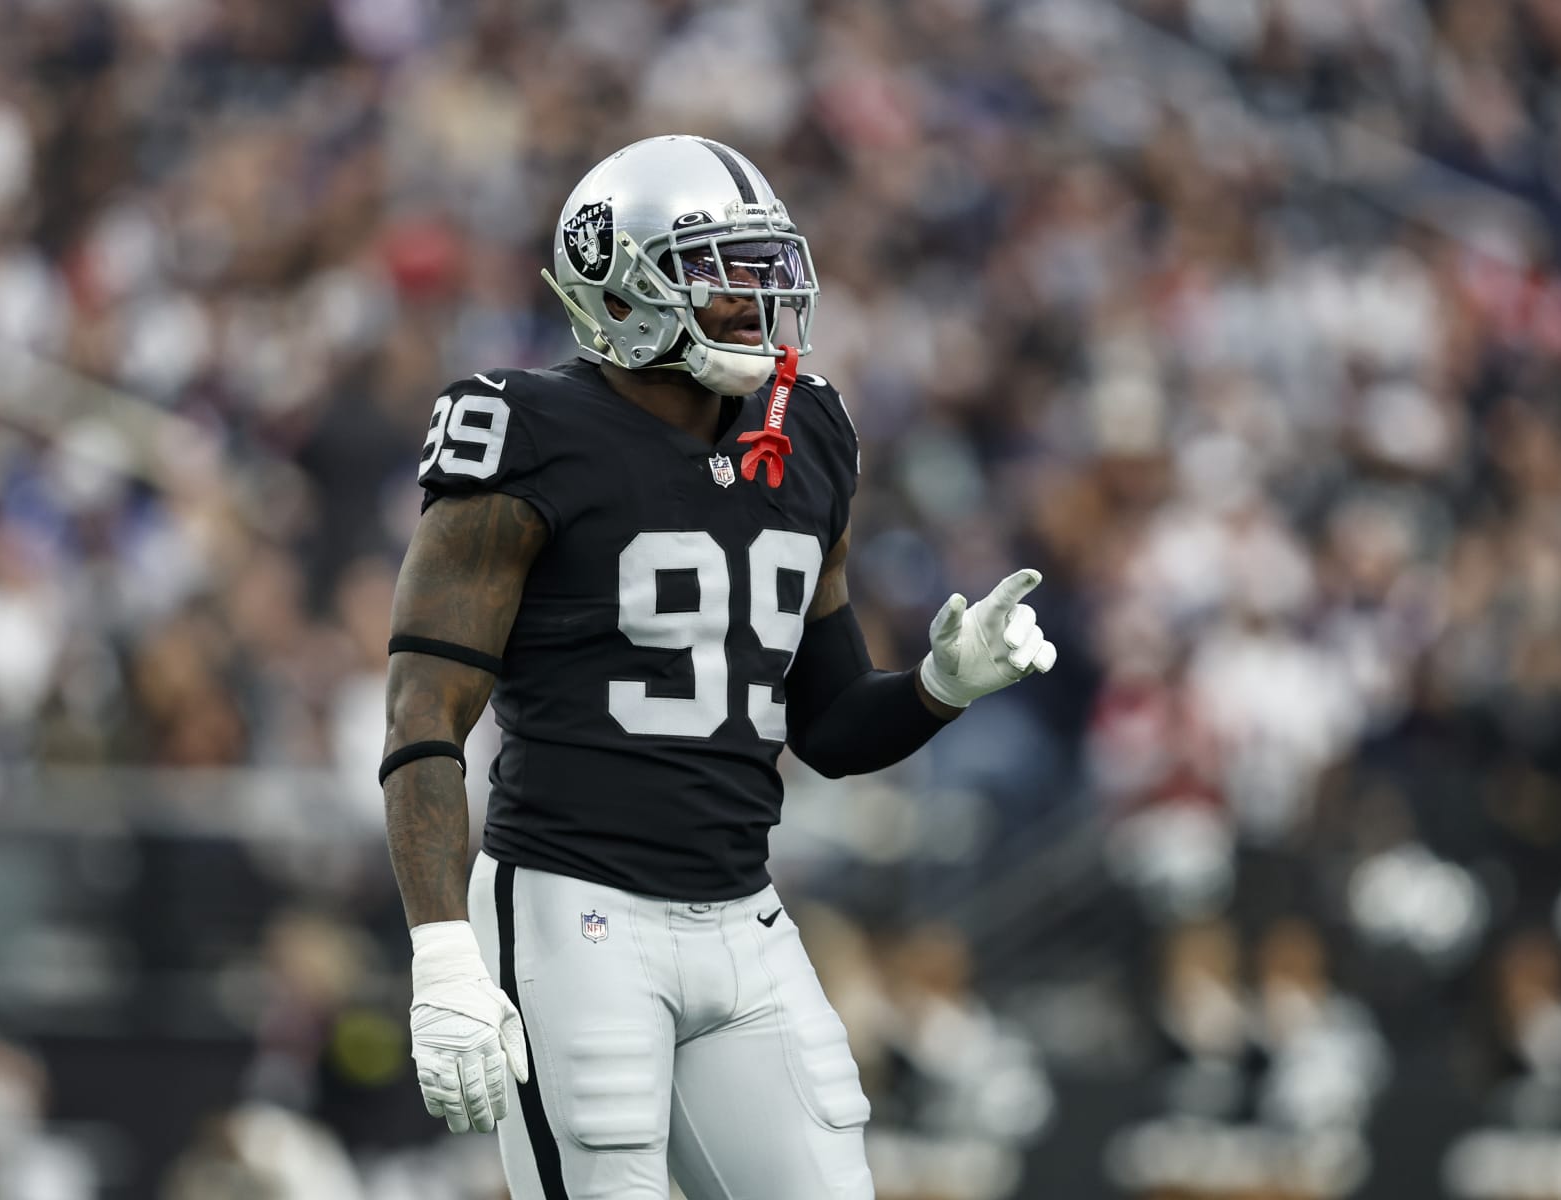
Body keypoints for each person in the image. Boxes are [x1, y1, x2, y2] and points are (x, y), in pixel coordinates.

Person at [382, 134, 1057, 1200]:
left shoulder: (811, 434)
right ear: (616, 274)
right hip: (575, 916)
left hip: (746, 919)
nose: (755, 298)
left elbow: (829, 727)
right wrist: (443, 952)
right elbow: (424, 712)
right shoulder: (527, 430)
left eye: (764, 267)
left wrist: (940, 689)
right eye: (715, 269)